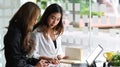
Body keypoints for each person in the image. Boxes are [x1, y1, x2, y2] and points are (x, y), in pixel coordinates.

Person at [4, 2, 48, 67]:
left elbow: (23, 59)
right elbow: (15, 63)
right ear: (27, 17)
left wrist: (39, 61)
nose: (35, 22)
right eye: (35, 19)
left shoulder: (22, 31)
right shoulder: (14, 34)